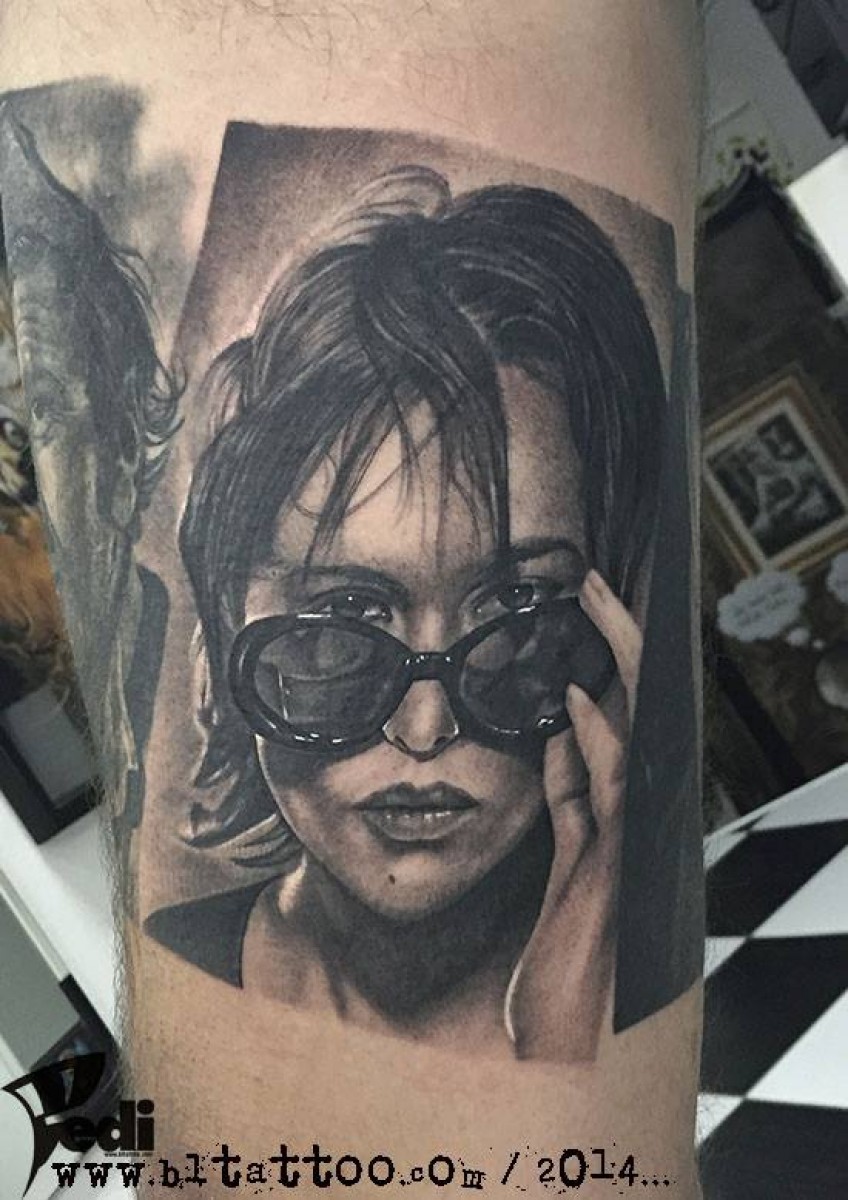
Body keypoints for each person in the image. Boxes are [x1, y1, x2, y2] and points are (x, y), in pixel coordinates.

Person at [0, 3, 705, 1193]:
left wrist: (566, 1035)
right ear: (218, 652)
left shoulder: (615, 988)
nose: (424, 728)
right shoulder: (193, 987)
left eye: (516, 621)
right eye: (338, 630)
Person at [146, 170, 664, 1060]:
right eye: (344, 613)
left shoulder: (672, 983)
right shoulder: (160, 996)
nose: (425, 728)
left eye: (516, 607)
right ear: (224, 635)